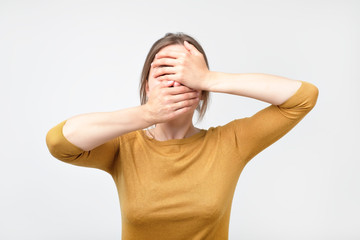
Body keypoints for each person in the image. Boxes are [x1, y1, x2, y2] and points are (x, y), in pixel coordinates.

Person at [46, 32, 319, 240]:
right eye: (164, 72)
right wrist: (148, 114)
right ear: (147, 87)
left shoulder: (229, 143)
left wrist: (210, 79)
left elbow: (303, 97)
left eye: (185, 73)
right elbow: (59, 142)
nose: (174, 82)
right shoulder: (123, 147)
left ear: (200, 90)